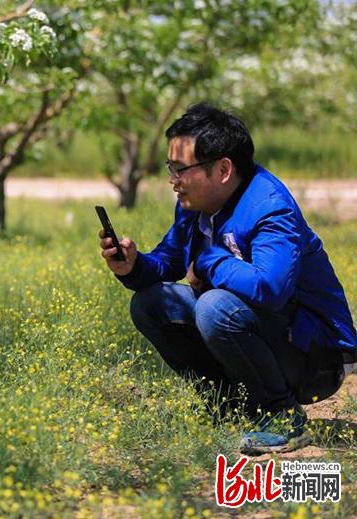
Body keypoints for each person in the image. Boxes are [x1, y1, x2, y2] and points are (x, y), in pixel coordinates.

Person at [99, 103, 356, 454]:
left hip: (315, 359)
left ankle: (282, 416)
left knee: (215, 306)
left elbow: (270, 288)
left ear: (222, 169)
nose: (172, 180)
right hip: (271, 336)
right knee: (152, 303)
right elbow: (171, 258)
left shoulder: (270, 208)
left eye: (180, 169)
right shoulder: (196, 203)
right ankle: (228, 407)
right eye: (169, 168)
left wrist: (208, 261)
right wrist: (132, 266)